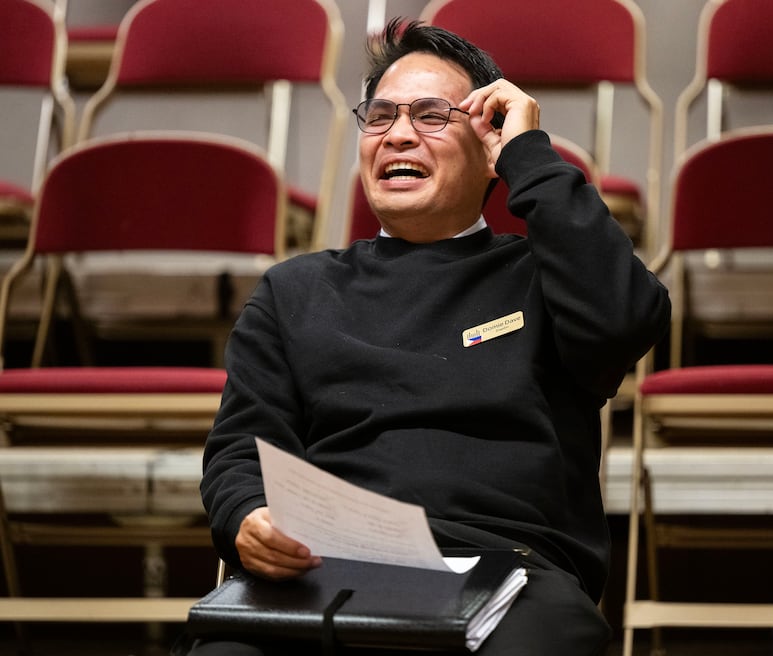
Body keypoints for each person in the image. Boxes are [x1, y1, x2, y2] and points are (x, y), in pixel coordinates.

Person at [185, 17, 670, 656]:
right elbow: (241, 450)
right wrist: (247, 515)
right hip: (324, 570)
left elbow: (627, 319)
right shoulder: (295, 291)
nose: (399, 135)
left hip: (507, 573)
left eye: (432, 115)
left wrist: (531, 155)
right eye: (380, 115)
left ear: (490, 145)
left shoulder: (543, 277)